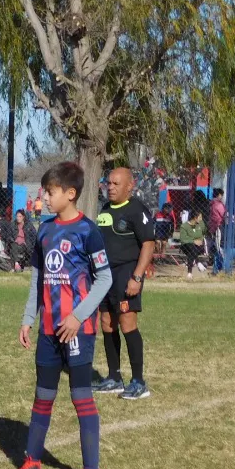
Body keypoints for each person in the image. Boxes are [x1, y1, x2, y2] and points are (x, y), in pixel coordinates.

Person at [12, 161, 112, 469]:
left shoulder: (88, 231)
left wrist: (78, 316)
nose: (45, 197)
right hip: (49, 330)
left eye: (50, 192)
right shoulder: (45, 230)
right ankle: (33, 462)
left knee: (81, 396)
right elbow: (37, 279)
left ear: (70, 194)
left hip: (77, 331)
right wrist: (29, 318)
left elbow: (105, 279)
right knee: (43, 396)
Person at [93, 166, 156, 400]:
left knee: (127, 323)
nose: (110, 187)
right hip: (105, 275)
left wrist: (137, 277)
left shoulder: (136, 209)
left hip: (127, 273)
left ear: (130, 186)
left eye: (116, 184)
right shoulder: (106, 209)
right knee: (107, 323)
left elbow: (148, 244)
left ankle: (139, 382)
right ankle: (114, 378)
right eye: (108, 183)